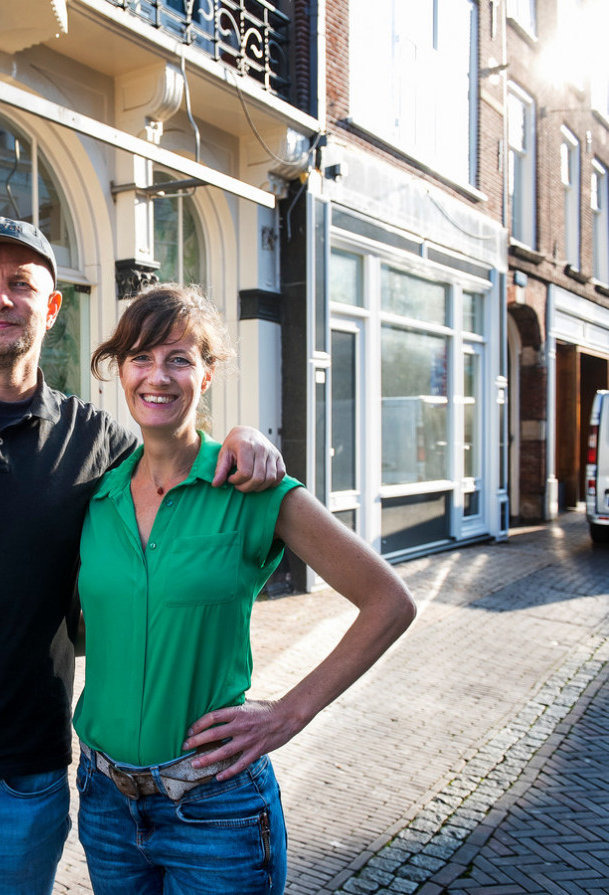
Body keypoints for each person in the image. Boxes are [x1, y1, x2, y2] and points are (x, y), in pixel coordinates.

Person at [0, 218, 287, 895]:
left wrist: (242, 437)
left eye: (20, 284)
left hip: (22, 786)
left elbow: (174, 458)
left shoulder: (99, 443)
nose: (0, 299)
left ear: (52, 307)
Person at [73, 284, 417, 895]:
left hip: (215, 810)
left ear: (206, 375)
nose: (158, 375)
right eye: (141, 357)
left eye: (179, 359)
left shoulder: (251, 489)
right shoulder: (96, 497)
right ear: (120, 371)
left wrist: (289, 712)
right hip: (105, 804)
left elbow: (389, 602)